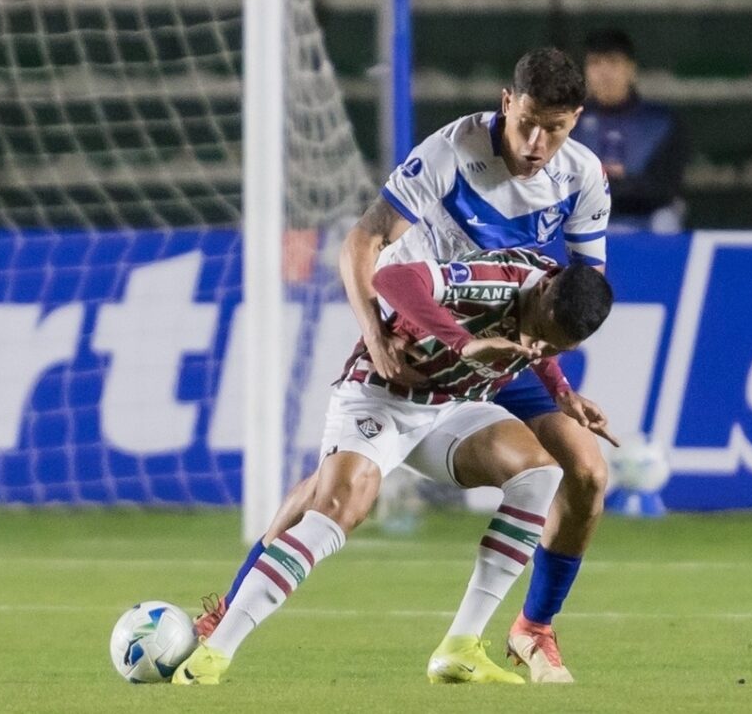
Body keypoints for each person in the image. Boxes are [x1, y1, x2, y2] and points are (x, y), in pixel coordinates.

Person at [198, 47, 612, 684]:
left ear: (575, 121)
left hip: (507, 340)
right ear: (508, 102)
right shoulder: (452, 152)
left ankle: (531, 629)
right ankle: (227, 612)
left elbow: (575, 293)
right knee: (333, 492)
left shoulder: (582, 178)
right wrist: (378, 337)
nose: (535, 142)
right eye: (526, 121)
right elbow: (365, 245)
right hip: (423, 327)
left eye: (552, 128)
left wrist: (558, 382)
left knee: (582, 470)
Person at [173, 249, 615, 685]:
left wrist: (560, 391)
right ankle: (215, 653)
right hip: (381, 396)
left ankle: (460, 648)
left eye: (554, 346)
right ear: (542, 292)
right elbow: (394, 279)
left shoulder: (551, 310)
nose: (538, 346)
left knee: (540, 473)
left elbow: (541, 345)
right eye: (540, 332)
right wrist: (465, 343)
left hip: (451, 408)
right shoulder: (493, 278)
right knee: (340, 507)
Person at [572, 28, 688, 233]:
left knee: (666, 220)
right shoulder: (569, 124)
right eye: (596, 63)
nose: (604, 72)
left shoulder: (660, 122)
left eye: (613, 62)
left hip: (645, 219)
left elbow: (664, 188)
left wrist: (612, 184)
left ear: (631, 69)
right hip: (584, 222)